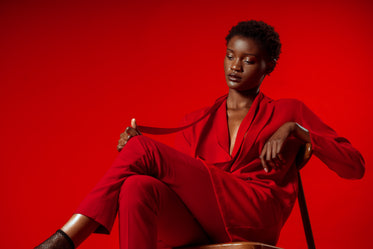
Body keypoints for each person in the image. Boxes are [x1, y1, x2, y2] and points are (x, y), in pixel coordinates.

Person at [35, 20, 365, 249]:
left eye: (248, 60)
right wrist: (134, 149)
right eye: (230, 56)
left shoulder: (289, 111)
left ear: (269, 65)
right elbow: (187, 188)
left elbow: (355, 167)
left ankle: (68, 238)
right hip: (205, 224)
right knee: (138, 185)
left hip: (255, 215)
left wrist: (299, 131)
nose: (235, 67)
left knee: (144, 151)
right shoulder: (197, 120)